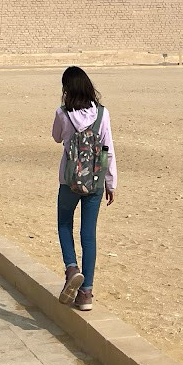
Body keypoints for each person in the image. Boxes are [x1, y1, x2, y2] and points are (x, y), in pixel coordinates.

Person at [53, 66, 116, 312]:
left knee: (64, 224)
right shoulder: (102, 114)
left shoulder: (62, 114)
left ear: (67, 89)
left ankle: (71, 268)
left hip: (69, 180)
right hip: (95, 181)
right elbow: (107, 149)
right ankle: (86, 293)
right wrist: (110, 182)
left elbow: (57, 137)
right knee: (88, 235)